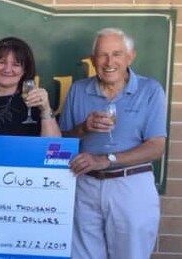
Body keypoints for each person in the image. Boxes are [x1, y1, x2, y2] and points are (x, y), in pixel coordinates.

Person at [59, 28, 166, 259]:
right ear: (93, 59)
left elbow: (156, 147)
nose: (109, 62)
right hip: (84, 186)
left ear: (130, 56)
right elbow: (62, 141)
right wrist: (83, 128)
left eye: (117, 54)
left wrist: (104, 160)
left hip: (131, 185)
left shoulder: (150, 90)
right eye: (102, 55)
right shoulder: (78, 89)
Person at [0, 37, 61, 136]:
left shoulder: (35, 106)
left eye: (16, 64)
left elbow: (54, 148)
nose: (7, 69)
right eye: (2, 62)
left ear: (25, 70)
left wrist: (45, 110)